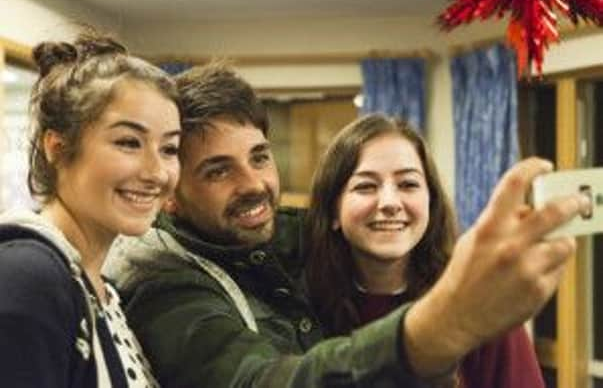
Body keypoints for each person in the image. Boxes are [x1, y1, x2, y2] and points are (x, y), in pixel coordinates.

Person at [105, 63, 588, 388]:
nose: (254, 184)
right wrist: (438, 328)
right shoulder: (163, 278)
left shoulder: (285, 242)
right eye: (218, 171)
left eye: (259, 157)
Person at [305, 113, 545, 388]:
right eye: (366, 186)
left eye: (408, 184)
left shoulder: (479, 300)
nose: (390, 203)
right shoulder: (302, 307)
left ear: (430, 202)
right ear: (333, 210)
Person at [0, 30, 182, 387]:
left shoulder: (99, 287)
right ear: (57, 146)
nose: (157, 172)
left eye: (170, 149)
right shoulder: (27, 277)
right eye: (129, 143)